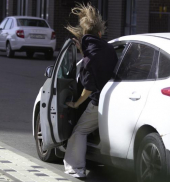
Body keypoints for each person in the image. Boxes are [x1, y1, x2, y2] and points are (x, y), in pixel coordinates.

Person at [63, 3, 118, 178]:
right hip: (116, 97)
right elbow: (96, 62)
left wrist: (75, 103)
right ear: (100, 34)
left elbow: (88, 87)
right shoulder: (109, 48)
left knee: (80, 131)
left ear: (84, 35)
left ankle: (76, 168)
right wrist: (83, 51)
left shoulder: (89, 58)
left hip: (99, 101)